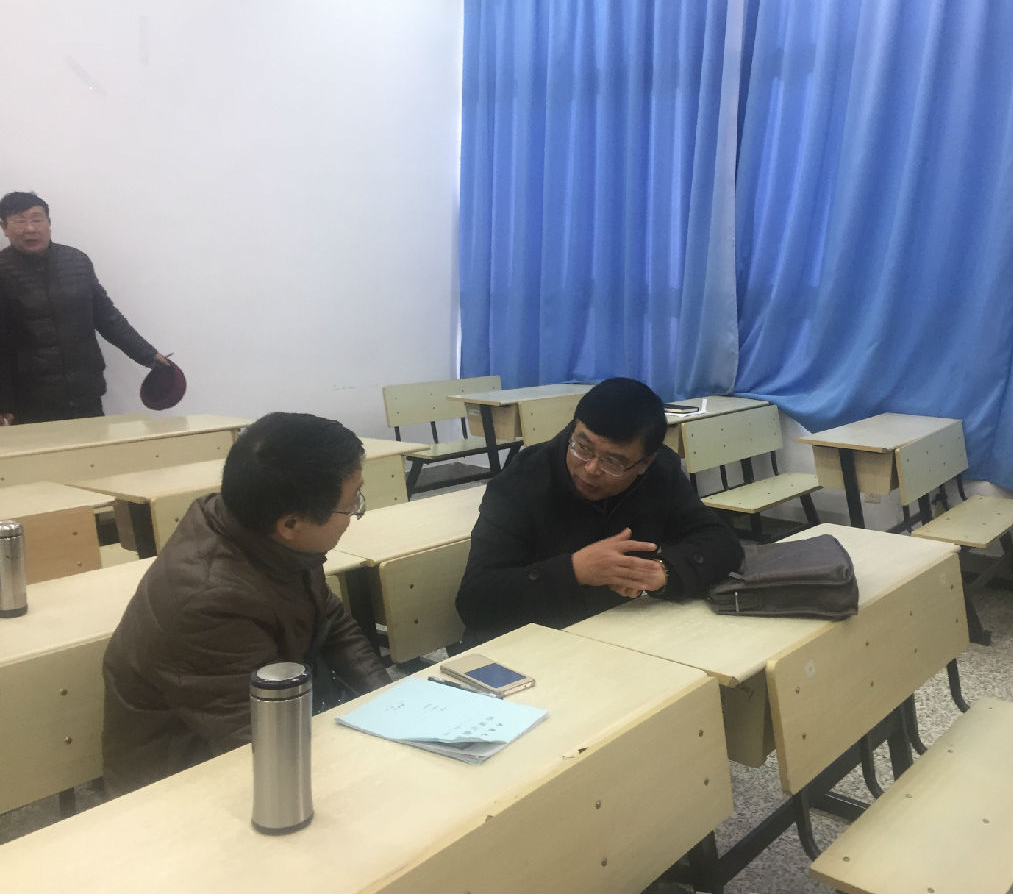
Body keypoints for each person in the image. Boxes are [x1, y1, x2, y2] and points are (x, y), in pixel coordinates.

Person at [102, 412, 391, 796]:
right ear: (290, 525)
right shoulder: (209, 602)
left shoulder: (263, 530)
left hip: (261, 731)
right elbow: (258, 741)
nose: (355, 512)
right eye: (350, 504)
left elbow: (332, 620)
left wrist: (390, 706)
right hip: (178, 785)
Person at [455, 377, 744, 645]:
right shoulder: (521, 481)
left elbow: (722, 542)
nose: (591, 468)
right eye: (582, 447)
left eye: (613, 462)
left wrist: (660, 572)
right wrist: (576, 571)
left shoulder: (659, 472)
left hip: (621, 633)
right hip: (530, 643)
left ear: (644, 463)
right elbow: (476, 602)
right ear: (573, 428)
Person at [0, 191, 171, 424]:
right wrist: (4, 402)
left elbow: (107, 317)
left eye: (37, 219)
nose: (30, 228)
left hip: (85, 390)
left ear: (49, 223)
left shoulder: (76, 261)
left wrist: (148, 354)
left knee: (93, 447)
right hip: (30, 399)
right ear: (4, 227)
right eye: (20, 221)